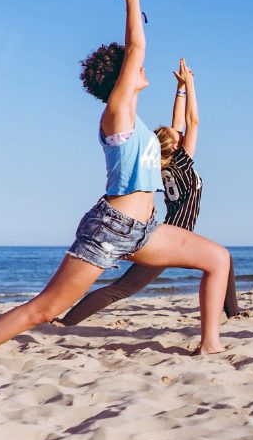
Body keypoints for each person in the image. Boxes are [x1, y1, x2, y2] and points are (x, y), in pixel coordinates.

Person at [0, 0, 230, 361]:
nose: (141, 68)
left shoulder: (138, 121)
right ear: (120, 80)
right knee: (45, 309)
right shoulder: (117, 115)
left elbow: (168, 105)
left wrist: (184, 91)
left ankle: (211, 345)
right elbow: (136, 49)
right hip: (111, 228)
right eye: (132, 70)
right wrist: (133, 0)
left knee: (218, 258)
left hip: (145, 230)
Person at [58, 57, 239, 327]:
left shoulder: (164, 161)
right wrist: (191, 84)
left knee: (222, 259)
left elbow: (178, 122)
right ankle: (63, 323)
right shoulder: (182, 162)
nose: (180, 133)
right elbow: (193, 120)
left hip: (169, 232)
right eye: (177, 136)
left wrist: (179, 90)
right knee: (121, 289)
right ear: (176, 148)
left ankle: (234, 313)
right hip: (168, 237)